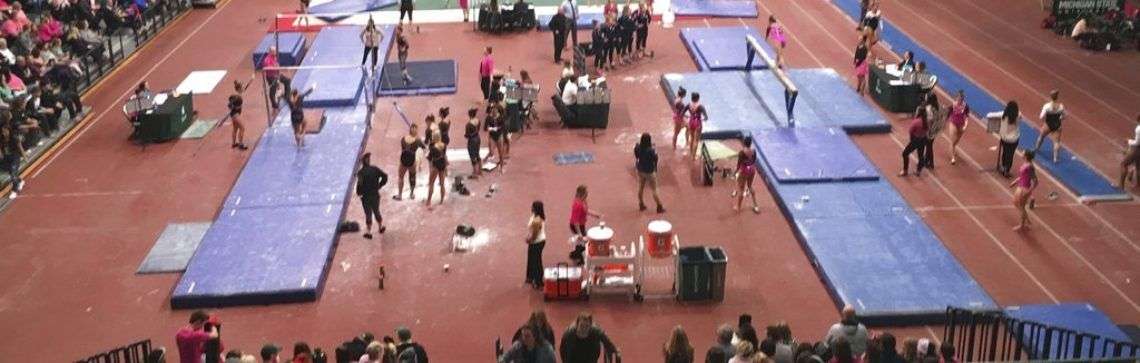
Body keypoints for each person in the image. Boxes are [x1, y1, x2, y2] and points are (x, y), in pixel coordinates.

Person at [356, 153, 389, 238]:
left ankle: (369, 231)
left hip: (366, 197)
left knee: (368, 213)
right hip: (375, 195)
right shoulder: (375, 169)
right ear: (368, 161)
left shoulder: (360, 173)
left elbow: (359, 185)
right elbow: (385, 176)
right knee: (376, 210)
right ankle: (380, 226)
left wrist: (359, 193)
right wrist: (380, 185)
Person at [634, 133, 665, 213]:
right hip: (649, 171)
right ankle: (659, 206)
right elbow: (655, 159)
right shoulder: (651, 150)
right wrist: (654, 149)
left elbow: (637, 155)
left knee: (641, 187)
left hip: (640, 170)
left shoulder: (637, 147)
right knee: (654, 189)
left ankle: (641, 204)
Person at [395, 124, 425, 200]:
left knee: (400, 177)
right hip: (412, 162)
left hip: (403, 161)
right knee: (412, 177)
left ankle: (400, 195)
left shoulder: (403, 139)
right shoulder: (418, 141)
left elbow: (403, 148)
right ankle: (411, 194)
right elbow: (424, 148)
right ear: (416, 132)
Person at [1035, 90, 1065, 163]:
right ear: (1057, 97)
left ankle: (1036, 149)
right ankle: (1055, 158)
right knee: (1056, 142)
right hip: (1057, 125)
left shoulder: (1047, 106)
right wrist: (1060, 118)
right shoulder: (1061, 106)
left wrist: (1044, 121)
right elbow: (1064, 116)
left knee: (1041, 137)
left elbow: (1041, 117)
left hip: (1048, 124)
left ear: (1050, 97)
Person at [1010, 151, 1038, 231]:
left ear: (1026, 156)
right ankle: (1027, 220)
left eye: (1023, 152)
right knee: (1015, 203)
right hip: (1020, 186)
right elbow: (1023, 176)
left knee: (1021, 206)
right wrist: (1015, 181)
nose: (1021, 153)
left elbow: (1035, 181)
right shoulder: (1025, 164)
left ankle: (1022, 225)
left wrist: (1029, 191)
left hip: (1024, 188)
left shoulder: (1030, 166)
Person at [227, 75, 255, 150]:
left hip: (235, 114)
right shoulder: (236, 97)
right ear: (239, 89)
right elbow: (229, 105)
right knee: (242, 128)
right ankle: (241, 144)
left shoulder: (239, 93)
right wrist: (236, 107)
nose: (243, 88)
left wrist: (251, 80)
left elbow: (246, 87)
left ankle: (233, 144)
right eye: (242, 87)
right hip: (235, 115)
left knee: (235, 128)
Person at [734, 138, 760, 213]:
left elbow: (739, 164)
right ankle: (756, 205)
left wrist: (735, 172)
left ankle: (738, 207)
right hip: (752, 169)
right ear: (750, 143)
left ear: (744, 143)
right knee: (750, 186)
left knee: (741, 189)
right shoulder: (754, 151)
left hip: (744, 170)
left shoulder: (742, 152)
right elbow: (754, 160)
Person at [525, 201, 547, 289]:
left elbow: (535, 234)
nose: (531, 208)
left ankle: (539, 281)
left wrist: (529, 240)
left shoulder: (537, 221)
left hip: (537, 242)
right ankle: (531, 277)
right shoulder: (537, 216)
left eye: (532, 206)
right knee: (532, 259)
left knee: (536, 261)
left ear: (535, 208)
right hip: (537, 241)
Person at [899, 111, 929, 177]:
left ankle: (905, 170)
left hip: (916, 140)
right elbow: (927, 130)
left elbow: (910, 131)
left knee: (905, 153)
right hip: (923, 139)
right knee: (921, 155)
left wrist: (912, 140)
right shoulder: (926, 122)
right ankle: (918, 171)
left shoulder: (916, 122)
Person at [946, 90, 970, 165]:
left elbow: (966, 117)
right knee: (952, 141)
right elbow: (947, 115)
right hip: (953, 123)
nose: (960, 100)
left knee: (956, 140)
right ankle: (953, 158)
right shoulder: (953, 105)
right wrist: (944, 122)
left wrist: (965, 126)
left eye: (962, 99)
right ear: (956, 98)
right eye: (959, 98)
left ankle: (952, 148)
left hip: (961, 124)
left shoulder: (966, 106)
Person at [998, 101, 1021, 178]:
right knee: (1010, 154)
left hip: (1004, 138)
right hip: (1014, 139)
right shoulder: (1018, 116)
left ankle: (1004, 166)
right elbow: (1019, 113)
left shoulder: (1003, 115)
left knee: (1005, 152)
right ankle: (1007, 170)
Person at [920, 92, 943, 169]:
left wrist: (928, 130)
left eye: (926, 98)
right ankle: (926, 161)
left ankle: (931, 163)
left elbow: (929, 120)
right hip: (936, 127)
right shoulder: (938, 105)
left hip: (930, 129)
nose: (925, 99)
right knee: (929, 144)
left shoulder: (929, 108)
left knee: (929, 146)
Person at [2, 124, 25, 198]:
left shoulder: (14, 138)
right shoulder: (1, 138)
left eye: (6, 131)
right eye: (3, 131)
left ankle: (14, 190)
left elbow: (20, 147)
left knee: (13, 174)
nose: (4, 133)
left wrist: (24, 157)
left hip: (15, 157)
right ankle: (20, 181)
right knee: (11, 173)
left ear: (9, 131)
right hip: (6, 158)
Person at [424, 133, 447, 209]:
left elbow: (430, 157)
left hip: (436, 165)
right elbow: (444, 154)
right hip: (442, 164)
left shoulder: (433, 147)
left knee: (431, 183)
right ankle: (441, 200)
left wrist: (426, 154)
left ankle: (428, 200)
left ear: (434, 138)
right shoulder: (444, 145)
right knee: (442, 183)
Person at [1119, 114, 1140, 188]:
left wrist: (1128, 141)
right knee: (1138, 167)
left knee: (1123, 164)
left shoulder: (1138, 128)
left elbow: (1137, 142)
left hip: (1137, 149)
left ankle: (1121, 186)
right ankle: (1138, 184)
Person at [687, 92, 708, 159]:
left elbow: (682, 113)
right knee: (696, 140)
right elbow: (706, 117)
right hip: (697, 122)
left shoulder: (689, 104)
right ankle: (693, 157)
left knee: (692, 138)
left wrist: (688, 116)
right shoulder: (700, 106)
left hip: (691, 121)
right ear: (698, 98)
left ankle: (690, 153)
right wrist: (703, 119)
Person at [465, 108, 483, 178]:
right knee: (477, 154)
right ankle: (480, 171)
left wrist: (466, 135)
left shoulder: (468, 124)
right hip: (478, 138)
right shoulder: (478, 121)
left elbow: (467, 135)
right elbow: (478, 130)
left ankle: (475, 173)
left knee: (472, 156)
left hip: (472, 140)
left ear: (470, 114)